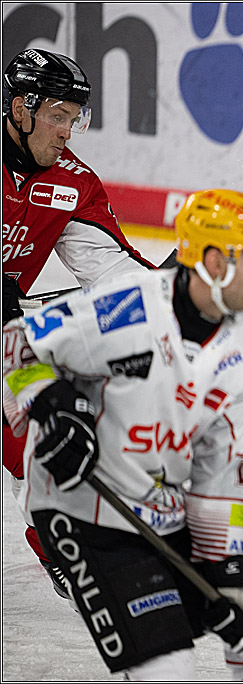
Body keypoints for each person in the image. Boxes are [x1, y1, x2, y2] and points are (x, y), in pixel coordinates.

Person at [2, 188, 243, 679]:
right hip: (83, 509)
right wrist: (50, 401)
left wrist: (226, 570)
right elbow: (16, 346)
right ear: (215, 263)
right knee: (168, 669)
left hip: (161, 509)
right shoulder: (127, 307)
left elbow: (223, 480)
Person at [2, 47, 158, 597]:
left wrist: (172, 296)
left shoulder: (71, 183)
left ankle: (62, 548)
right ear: (20, 109)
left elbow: (108, 267)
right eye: (58, 116)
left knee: (43, 427)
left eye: (75, 118)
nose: (68, 131)